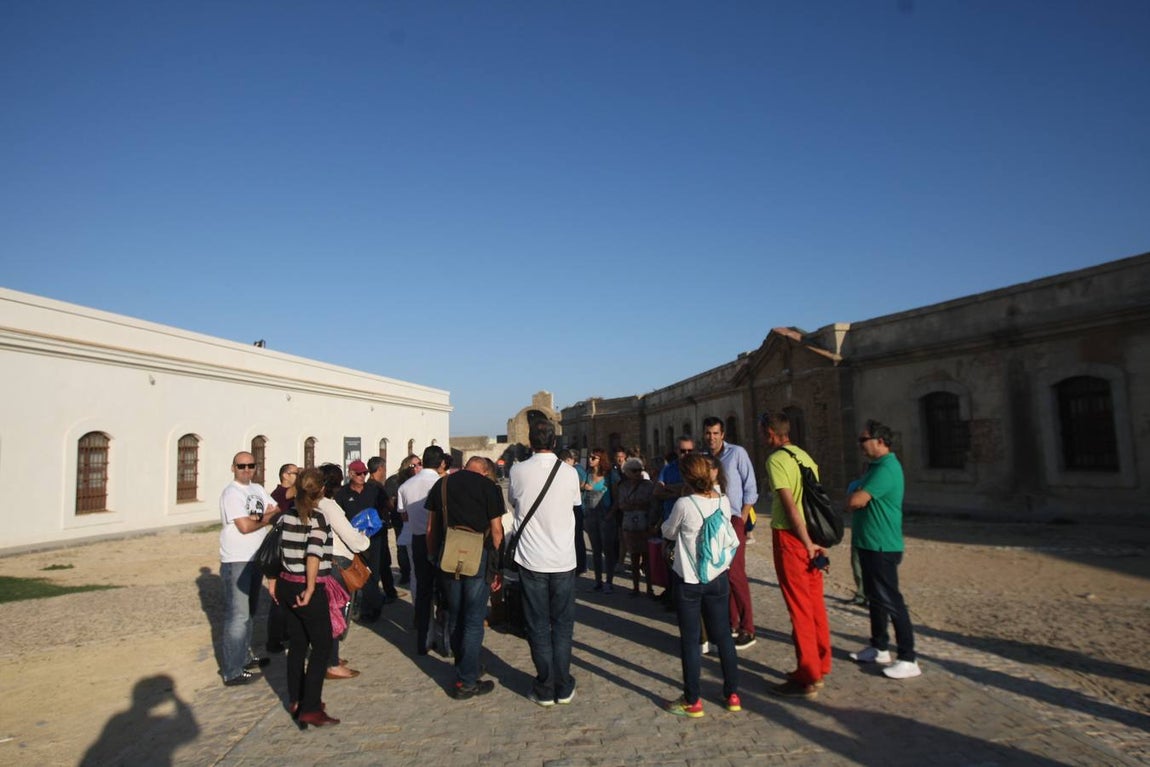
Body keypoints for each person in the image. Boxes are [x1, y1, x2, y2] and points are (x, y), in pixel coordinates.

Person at [508, 416, 582, 707]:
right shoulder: (569, 473)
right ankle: (563, 684)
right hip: (563, 559)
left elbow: (515, 502)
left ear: (530, 442)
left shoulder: (517, 471)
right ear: (554, 441)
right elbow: (574, 504)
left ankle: (545, 684)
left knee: (537, 625)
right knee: (562, 625)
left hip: (531, 559)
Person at [661, 453, 741, 717]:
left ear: (686, 477)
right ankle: (732, 693)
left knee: (691, 640)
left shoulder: (684, 504)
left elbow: (669, 532)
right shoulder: (723, 500)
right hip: (718, 577)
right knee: (724, 637)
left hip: (690, 579)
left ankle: (692, 699)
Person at [759, 411, 831, 699]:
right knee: (815, 604)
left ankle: (808, 675)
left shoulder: (776, 460)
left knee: (799, 607)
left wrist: (804, 540)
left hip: (792, 538)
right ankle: (822, 665)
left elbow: (790, 506)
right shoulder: (804, 456)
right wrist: (815, 541)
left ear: (769, 433)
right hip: (813, 535)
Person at [425, 456, 506, 699]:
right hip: (477, 556)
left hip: (448, 554)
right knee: (473, 619)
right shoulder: (489, 488)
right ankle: (467, 680)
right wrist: (496, 565)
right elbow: (497, 532)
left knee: (455, 614)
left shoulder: (443, 484)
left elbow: (431, 527)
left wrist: (432, 555)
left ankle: (466, 667)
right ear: (484, 471)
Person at [847, 419, 921, 679]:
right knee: (875, 599)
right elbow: (854, 490)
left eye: (863, 440)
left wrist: (856, 491)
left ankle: (908, 656)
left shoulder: (887, 468)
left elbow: (856, 499)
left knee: (891, 600)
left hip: (882, 545)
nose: (860, 445)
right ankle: (879, 646)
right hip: (868, 542)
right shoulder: (874, 467)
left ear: (879, 441)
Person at [274, 468, 341, 727]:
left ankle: (296, 698)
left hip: (286, 584)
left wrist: (273, 583)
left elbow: (275, 550)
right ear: (321, 490)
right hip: (306, 587)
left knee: (298, 644)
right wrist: (311, 588)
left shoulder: (286, 515)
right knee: (322, 644)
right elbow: (313, 554)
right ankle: (311, 706)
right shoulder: (317, 517)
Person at [218, 451, 280, 686]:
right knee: (238, 615)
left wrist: (262, 517)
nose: (246, 469)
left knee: (249, 612)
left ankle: (243, 656)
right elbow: (244, 526)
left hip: (256, 558)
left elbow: (275, 509)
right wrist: (266, 518)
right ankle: (232, 670)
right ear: (233, 467)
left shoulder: (257, 489)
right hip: (237, 559)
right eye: (241, 466)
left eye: (250, 465)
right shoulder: (231, 493)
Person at [700, 416, 759, 650]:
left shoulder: (737, 454)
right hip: (714, 520)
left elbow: (750, 488)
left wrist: (743, 517)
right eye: (708, 433)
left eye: (715, 433)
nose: (711, 437)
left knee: (736, 574)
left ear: (722, 434)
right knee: (722, 573)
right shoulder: (705, 459)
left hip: (734, 519)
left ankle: (748, 628)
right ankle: (731, 622)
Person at [397, 445, 449, 655]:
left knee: (423, 590)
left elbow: (404, 516)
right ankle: (446, 641)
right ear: (441, 463)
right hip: (442, 540)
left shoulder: (405, 486)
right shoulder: (443, 483)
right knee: (445, 591)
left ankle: (424, 639)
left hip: (418, 539)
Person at [319, 463, 369, 680]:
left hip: (320, 562)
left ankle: (328, 656)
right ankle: (331, 663)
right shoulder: (328, 506)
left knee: (328, 613)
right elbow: (349, 536)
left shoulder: (310, 504)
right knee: (336, 613)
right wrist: (364, 541)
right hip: (335, 563)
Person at [334, 459, 387, 622]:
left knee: (374, 573)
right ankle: (360, 605)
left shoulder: (374, 489)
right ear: (350, 474)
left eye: (364, 473)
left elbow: (386, 507)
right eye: (358, 473)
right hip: (351, 541)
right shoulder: (342, 493)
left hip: (374, 539)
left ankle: (373, 608)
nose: (362, 476)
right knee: (357, 573)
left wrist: (377, 521)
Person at [265, 463, 298, 654]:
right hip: (281, 548)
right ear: (285, 475)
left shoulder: (292, 494)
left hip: (291, 546)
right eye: (295, 473)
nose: (297, 476)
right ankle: (274, 638)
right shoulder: (279, 493)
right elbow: (291, 491)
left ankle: (286, 632)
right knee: (278, 597)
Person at [614, 457, 659, 597]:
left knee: (647, 558)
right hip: (629, 525)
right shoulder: (623, 486)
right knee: (634, 557)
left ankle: (650, 588)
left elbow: (653, 505)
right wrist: (638, 505)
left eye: (640, 470)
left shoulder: (648, 485)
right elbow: (621, 504)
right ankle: (635, 587)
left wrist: (652, 523)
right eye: (634, 470)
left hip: (645, 525)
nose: (638, 473)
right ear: (627, 472)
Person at [581, 448, 616, 593]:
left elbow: (616, 497)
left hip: (605, 515)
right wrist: (583, 487)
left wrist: (611, 514)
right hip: (591, 514)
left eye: (594, 457)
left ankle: (609, 581)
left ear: (601, 460)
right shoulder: (588, 474)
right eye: (590, 457)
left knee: (608, 550)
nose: (590, 459)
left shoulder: (609, 476)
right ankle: (598, 581)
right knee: (596, 549)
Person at [367, 456, 401, 604]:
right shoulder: (378, 487)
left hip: (368, 529)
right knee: (383, 562)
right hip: (379, 528)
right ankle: (389, 592)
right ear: (380, 468)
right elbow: (389, 506)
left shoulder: (367, 485)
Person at [385, 455, 422, 586]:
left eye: (420, 464)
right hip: (400, 519)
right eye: (414, 465)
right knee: (402, 548)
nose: (418, 467)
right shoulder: (394, 481)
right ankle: (405, 574)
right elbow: (389, 501)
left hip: (416, 519)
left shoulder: (420, 480)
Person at [559, 449, 587, 574]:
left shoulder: (575, 470)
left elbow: (579, 486)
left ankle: (580, 565)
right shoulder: (574, 470)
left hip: (577, 507)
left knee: (577, 538)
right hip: (576, 506)